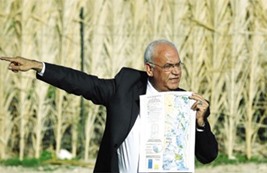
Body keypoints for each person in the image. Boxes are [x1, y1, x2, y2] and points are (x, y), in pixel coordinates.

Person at [0, 39, 218, 172]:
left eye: (178, 65)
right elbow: (82, 83)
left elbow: (207, 156)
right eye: (169, 66)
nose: (176, 71)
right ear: (150, 69)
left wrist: (200, 123)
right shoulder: (123, 89)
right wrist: (39, 66)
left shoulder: (185, 104)